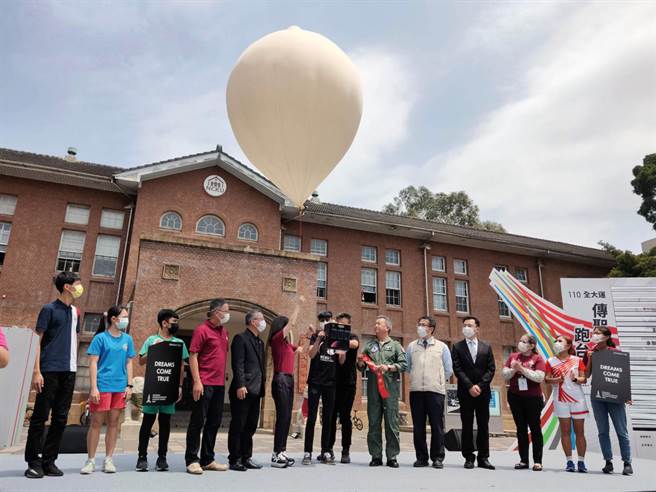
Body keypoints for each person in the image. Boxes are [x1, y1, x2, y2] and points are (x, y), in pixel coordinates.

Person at [24, 272, 83, 479]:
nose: (79, 287)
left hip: (69, 371)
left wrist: (73, 366)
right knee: (40, 417)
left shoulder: (76, 312)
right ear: (67, 287)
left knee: (60, 418)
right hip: (48, 370)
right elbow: (37, 341)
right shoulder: (48, 309)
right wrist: (36, 371)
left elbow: (73, 340)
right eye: (77, 284)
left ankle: (49, 461)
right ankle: (33, 461)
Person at [81, 306, 136, 474]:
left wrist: (129, 385)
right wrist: (94, 388)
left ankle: (109, 459)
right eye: (124, 316)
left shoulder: (127, 339)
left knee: (113, 424)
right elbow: (93, 363)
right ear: (113, 319)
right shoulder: (100, 338)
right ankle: (91, 460)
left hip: (120, 387)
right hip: (102, 385)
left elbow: (129, 363)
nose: (126, 320)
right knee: (96, 423)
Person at [136, 309, 189, 472]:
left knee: (165, 424)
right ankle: (142, 457)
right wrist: (153, 349)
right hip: (153, 388)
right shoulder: (151, 340)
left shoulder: (179, 343)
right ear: (164, 323)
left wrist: (180, 386)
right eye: (174, 322)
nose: (176, 324)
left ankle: (162, 458)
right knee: (147, 423)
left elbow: (182, 366)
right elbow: (141, 361)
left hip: (169, 388)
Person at [185, 299, 231, 475]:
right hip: (204, 383)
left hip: (219, 384)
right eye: (226, 310)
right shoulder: (201, 330)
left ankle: (207, 459)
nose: (228, 314)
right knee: (197, 422)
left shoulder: (224, 331)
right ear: (216, 312)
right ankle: (191, 460)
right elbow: (193, 356)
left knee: (214, 422)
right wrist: (197, 381)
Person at [357, 315, 407, 468]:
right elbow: (361, 366)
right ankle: (376, 456)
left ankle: (392, 456)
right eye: (375, 323)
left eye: (379, 323)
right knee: (373, 422)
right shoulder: (369, 344)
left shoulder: (396, 345)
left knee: (392, 422)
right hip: (373, 391)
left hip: (389, 390)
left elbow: (404, 364)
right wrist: (360, 362)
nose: (375, 326)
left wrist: (389, 367)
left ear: (387, 328)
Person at [585, 326, 633, 476]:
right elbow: (586, 375)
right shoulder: (591, 353)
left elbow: (622, 376)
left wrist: (627, 395)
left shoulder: (616, 353)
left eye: (598, 333)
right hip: (598, 396)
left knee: (621, 430)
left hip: (615, 397)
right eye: (594, 333)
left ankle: (627, 462)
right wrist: (590, 359)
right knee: (602, 431)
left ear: (606, 337)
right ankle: (608, 462)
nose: (595, 335)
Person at [406, 316, 452, 469]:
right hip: (416, 391)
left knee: (437, 426)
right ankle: (421, 457)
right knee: (418, 426)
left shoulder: (442, 347)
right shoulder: (412, 346)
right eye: (418, 324)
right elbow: (408, 367)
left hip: (435, 392)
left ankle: (437, 457)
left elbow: (448, 370)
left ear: (431, 328)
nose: (419, 327)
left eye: (423, 325)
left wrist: (437, 381)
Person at [451, 316, 496, 470]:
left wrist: (481, 386)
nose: (466, 328)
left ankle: (484, 457)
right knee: (467, 425)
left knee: (483, 425)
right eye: (464, 325)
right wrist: (470, 386)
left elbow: (491, 369)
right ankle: (468, 457)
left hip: (483, 393)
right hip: (465, 392)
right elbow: (457, 369)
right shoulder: (457, 347)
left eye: (470, 325)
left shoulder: (486, 347)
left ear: (477, 328)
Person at [302, 311, 345, 465]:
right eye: (321, 319)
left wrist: (342, 350)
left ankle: (325, 451)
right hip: (315, 382)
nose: (324, 322)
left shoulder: (337, 338)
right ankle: (307, 452)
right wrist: (319, 337)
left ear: (331, 321)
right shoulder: (316, 337)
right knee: (312, 418)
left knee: (328, 418)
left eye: (327, 319)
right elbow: (311, 354)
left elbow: (341, 361)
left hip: (330, 383)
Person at [228, 311, 267, 471]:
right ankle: (234, 458)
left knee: (251, 426)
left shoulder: (260, 342)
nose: (263, 322)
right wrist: (240, 384)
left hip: (256, 390)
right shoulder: (240, 338)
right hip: (243, 389)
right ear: (252, 321)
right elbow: (238, 364)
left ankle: (246, 457)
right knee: (239, 424)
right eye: (261, 319)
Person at [502, 334, 546, 471]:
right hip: (515, 397)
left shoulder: (537, 359)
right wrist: (514, 369)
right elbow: (504, 374)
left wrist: (522, 370)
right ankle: (523, 460)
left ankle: (537, 461)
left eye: (524, 341)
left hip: (533, 398)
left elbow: (539, 377)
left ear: (532, 345)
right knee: (521, 429)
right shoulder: (513, 356)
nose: (520, 343)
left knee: (535, 428)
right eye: (520, 340)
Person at [544, 335, 588, 473]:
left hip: (577, 399)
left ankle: (581, 462)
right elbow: (547, 379)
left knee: (580, 431)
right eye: (555, 340)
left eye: (560, 341)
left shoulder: (577, 360)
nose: (556, 343)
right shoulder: (550, 361)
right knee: (565, 431)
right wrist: (556, 379)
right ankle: (569, 461)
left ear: (568, 346)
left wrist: (576, 379)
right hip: (560, 398)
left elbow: (584, 379)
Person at [269, 315, 302, 468]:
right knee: (282, 416)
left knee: (287, 417)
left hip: (289, 379)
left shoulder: (287, 345)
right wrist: (298, 306)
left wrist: (311, 336)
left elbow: (300, 349)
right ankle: (276, 454)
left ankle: (282, 451)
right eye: (286, 327)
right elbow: (291, 324)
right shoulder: (276, 340)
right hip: (280, 379)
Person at [327, 312, 360, 464]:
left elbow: (354, 345)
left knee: (345, 417)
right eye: (339, 325)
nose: (342, 327)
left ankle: (345, 450)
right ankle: (328, 448)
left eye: (344, 325)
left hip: (348, 383)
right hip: (333, 382)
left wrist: (341, 338)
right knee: (331, 416)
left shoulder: (352, 337)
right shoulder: (331, 339)